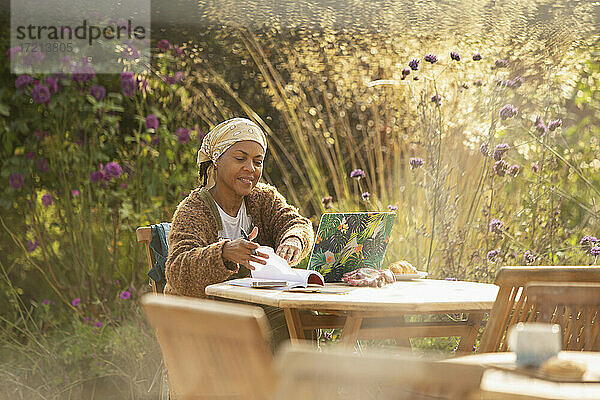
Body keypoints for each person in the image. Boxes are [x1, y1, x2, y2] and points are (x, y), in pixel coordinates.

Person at [164, 117, 314, 345]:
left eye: (258, 161)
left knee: (301, 318)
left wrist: (294, 239)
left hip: (251, 310)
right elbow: (177, 270)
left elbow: (295, 223)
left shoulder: (264, 199)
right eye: (240, 158)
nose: (250, 169)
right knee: (279, 323)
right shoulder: (194, 209)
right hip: (201, 321)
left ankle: (294, 380)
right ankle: (272, 381)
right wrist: (223, 253)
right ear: (216, 160)